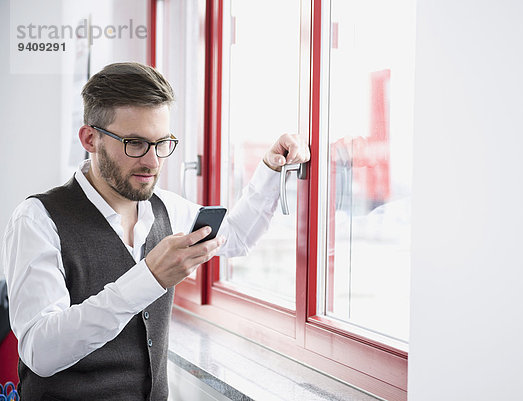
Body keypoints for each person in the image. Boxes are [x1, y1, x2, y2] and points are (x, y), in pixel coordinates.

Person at [0, 62, 309, 400]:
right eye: (135, 143)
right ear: (90, 138)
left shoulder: (165, 207)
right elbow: (40, 353)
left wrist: (270, 167)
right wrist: (148, 278)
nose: (152, 161)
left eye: (162, 143)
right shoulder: (36, 220)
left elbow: (234, 236)